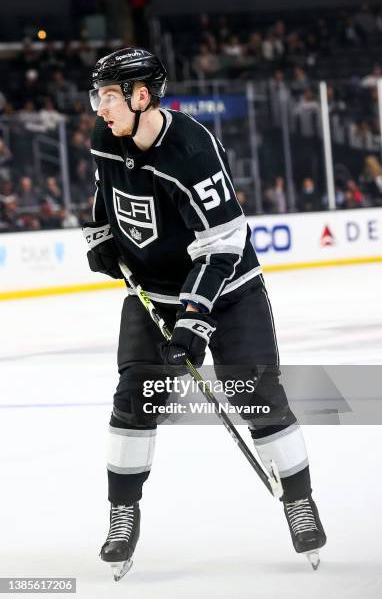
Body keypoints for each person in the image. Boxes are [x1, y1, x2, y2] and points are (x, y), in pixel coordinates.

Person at [83, 47, 326, 581]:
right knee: (133, 399)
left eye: (106, 96)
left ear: (140, 96)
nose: (98, 107)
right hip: (154, 290)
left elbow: (223, 243)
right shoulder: (106, 137)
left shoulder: (193, 149)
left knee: (258, 394)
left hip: (228, 288)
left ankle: (299, 500)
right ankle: (123, 513)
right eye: (96, 95)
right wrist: (100, 237)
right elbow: (105, 194)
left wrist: (195, 322)